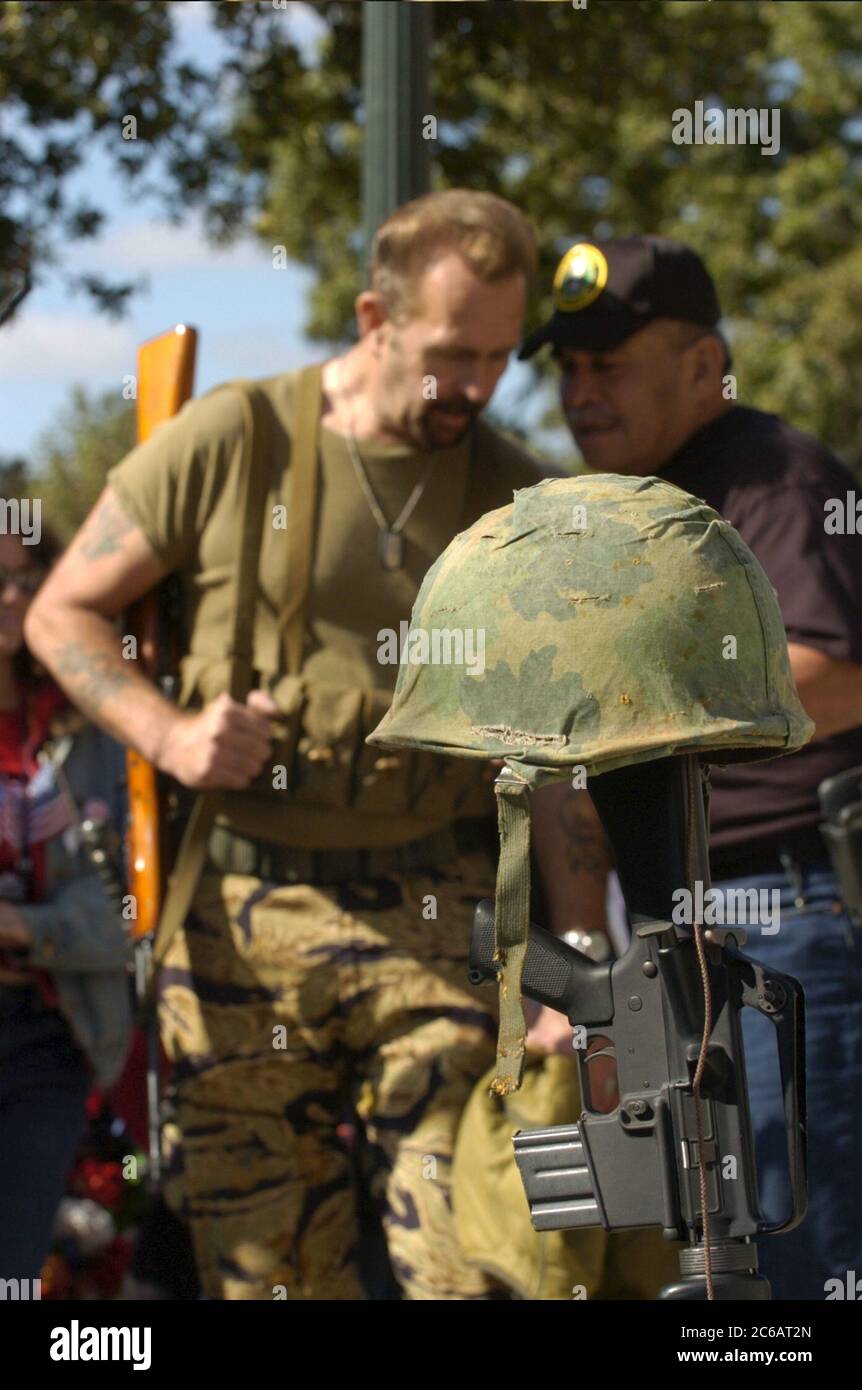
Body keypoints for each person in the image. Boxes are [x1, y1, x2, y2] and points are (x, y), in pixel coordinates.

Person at [24, 189, 559, 1301]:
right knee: (267, 1283)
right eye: (451, 353)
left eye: (501, 357)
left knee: (479, 1272)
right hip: (238, 935)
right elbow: (60, 611)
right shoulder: (236, 438)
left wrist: (576, 964)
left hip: (442, 927)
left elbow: (557, 757)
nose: (475, 385)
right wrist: (168, 734)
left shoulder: (513, 492)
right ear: (375, 316)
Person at [516, 233, 862, 1300]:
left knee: (802, 1252)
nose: (581, 394)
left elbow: (837, 669)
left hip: (782, 916)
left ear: (704, 365)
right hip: (663, 935)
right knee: (720, 1260)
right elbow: (566, 761)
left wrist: (627, 706)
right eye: (567, 369)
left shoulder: (771, 472)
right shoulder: (608, 510)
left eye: (609, 364)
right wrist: (578, 957)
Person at [0, 523, 131, 1287]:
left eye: (26, 578)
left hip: (49, 1035)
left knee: (13, 1267)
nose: (11, 596)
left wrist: (23, 926)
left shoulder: (91, 730)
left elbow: (123, 915)